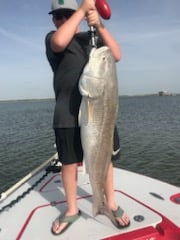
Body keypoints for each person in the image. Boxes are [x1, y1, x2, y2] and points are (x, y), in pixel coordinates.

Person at [45, 0, 130, 235]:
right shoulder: (53, 39)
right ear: (53, 20)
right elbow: (60, 41)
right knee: (69, 164)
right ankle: (72, 209)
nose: (61, 19)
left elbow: (117, 55)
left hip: (100, 112)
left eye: (66, 14)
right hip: (67, 114)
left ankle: (108, 203)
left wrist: (100, 26)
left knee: (106, 160)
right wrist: (81, 9)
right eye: (58, 16)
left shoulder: (92, 39)